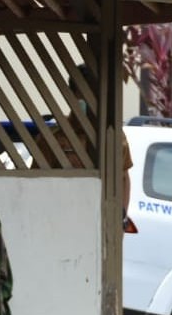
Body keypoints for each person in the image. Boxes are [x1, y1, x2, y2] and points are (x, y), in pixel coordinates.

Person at [31, 65, 132, 221]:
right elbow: (37, 184)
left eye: (95, 93)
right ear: (72, 95)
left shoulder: (114, 137)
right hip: (62, 222)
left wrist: (121, 220)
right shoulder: (53, 138)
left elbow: (123, 178)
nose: (90, 99)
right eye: (84, 93)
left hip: (103, 223)